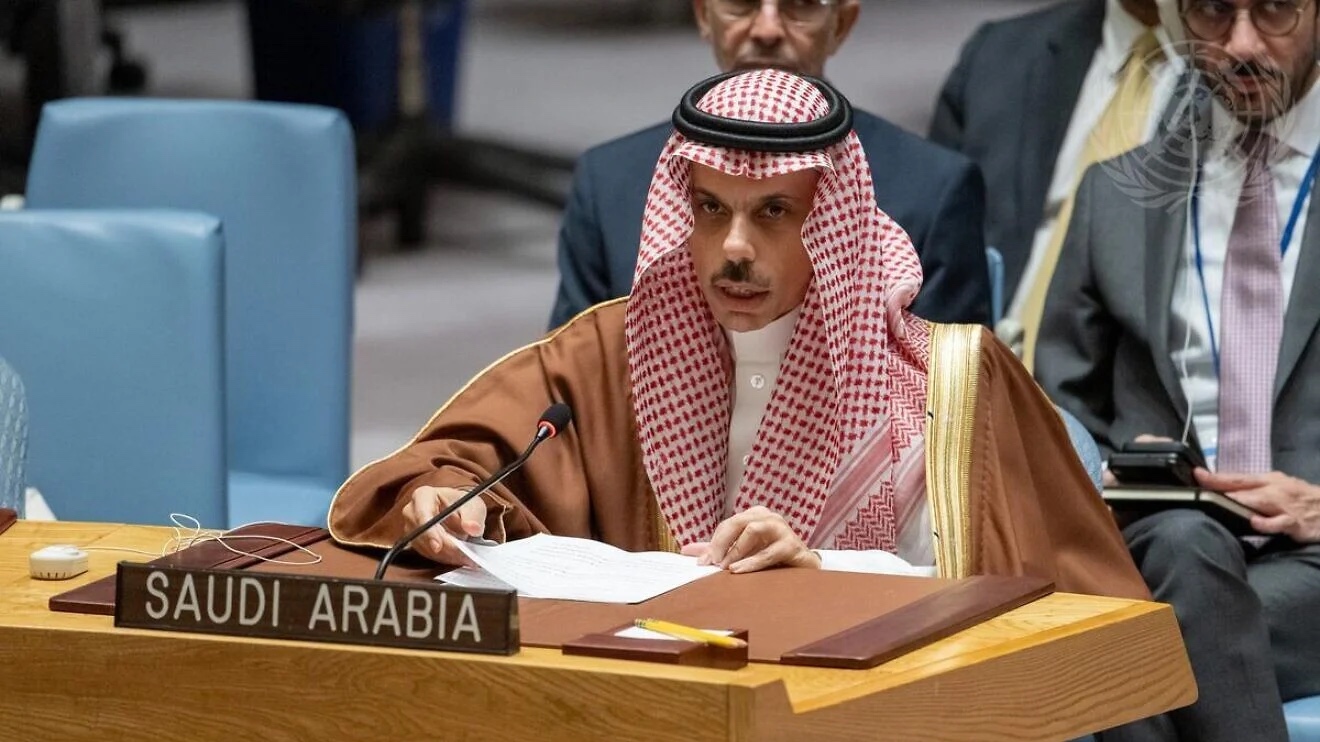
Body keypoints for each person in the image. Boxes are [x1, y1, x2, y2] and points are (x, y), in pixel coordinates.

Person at [330, 69, 1144, 599]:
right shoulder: (617, 353)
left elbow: (1036, 593)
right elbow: (454, 466)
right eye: (711, 210)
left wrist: (821, 571)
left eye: (773, 214)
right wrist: (436, 501)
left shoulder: (948, 382)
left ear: (832, 222)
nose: (734, 250)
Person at [1037, 0, 1320, 738]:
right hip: (1160, 544)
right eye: (1213, 13)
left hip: (1313, 564)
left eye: (1276, 11)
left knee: (1116, 645)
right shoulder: (1116, 196)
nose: (1242, 44)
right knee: (1180, 553)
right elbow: (1061, 415)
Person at [547, 0, 990, 331]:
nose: (766, 28)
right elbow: (570, 392)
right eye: (741, 3)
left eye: (798, 6)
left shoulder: (933, 192)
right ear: (704, 14)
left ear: (842, 22)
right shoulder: (610, 184)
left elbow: (952, 411)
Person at [930, 0, 1179, 363]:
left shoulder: (1246, 83)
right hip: (965, 379)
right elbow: (919, 260)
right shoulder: (999, 56)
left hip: (1125, 398)